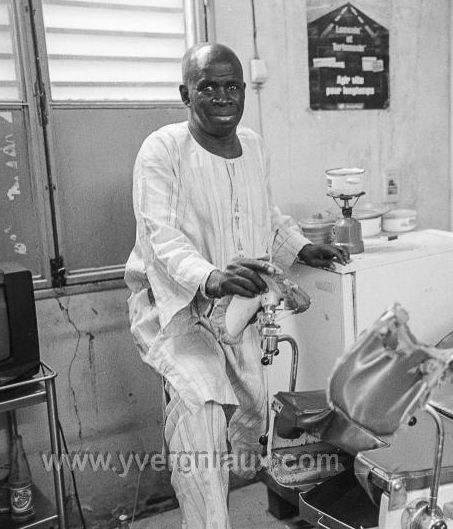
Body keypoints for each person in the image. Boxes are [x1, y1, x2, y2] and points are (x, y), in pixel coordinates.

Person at [124, 43, 348, 528]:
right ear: (185, 94)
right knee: (201, 411)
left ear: (244, 91)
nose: (222, 96)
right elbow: (159, 236)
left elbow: (263, 214)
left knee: (244, 419)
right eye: (208, 86)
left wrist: (299, 247)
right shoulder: (162, 149)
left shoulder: (254, 146)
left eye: (232, 86)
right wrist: (210, 277)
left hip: (238, 311)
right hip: (177, 313)